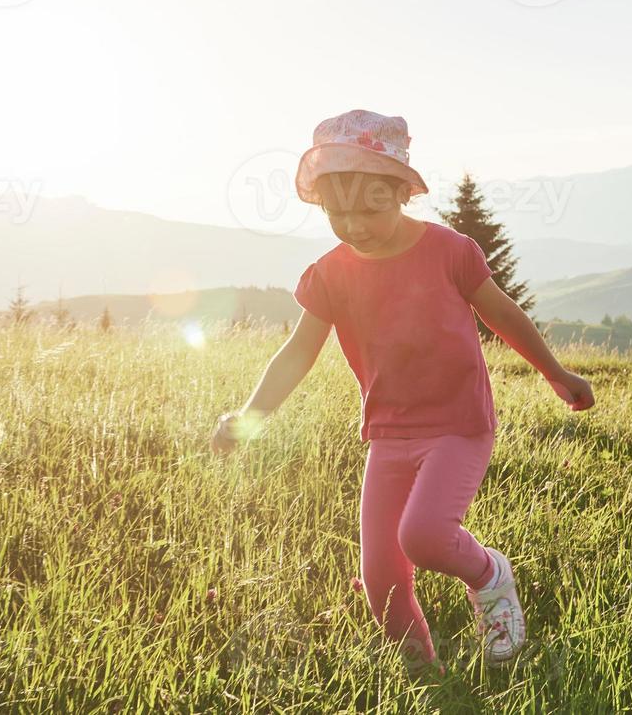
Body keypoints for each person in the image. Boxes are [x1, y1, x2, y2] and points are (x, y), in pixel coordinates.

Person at [210, 109, 595, 672]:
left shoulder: (450, 251)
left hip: (459, 425)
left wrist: (557, 374)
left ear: (400, 192)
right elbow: (297, 353)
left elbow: (503, 316)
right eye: (337, 213)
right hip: (388, 433)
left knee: (424, 536)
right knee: (381, 579)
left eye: (372, 208)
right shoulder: (330, 274)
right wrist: (249, 415)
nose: (355, 226)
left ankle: (493, 580)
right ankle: (425, 676)